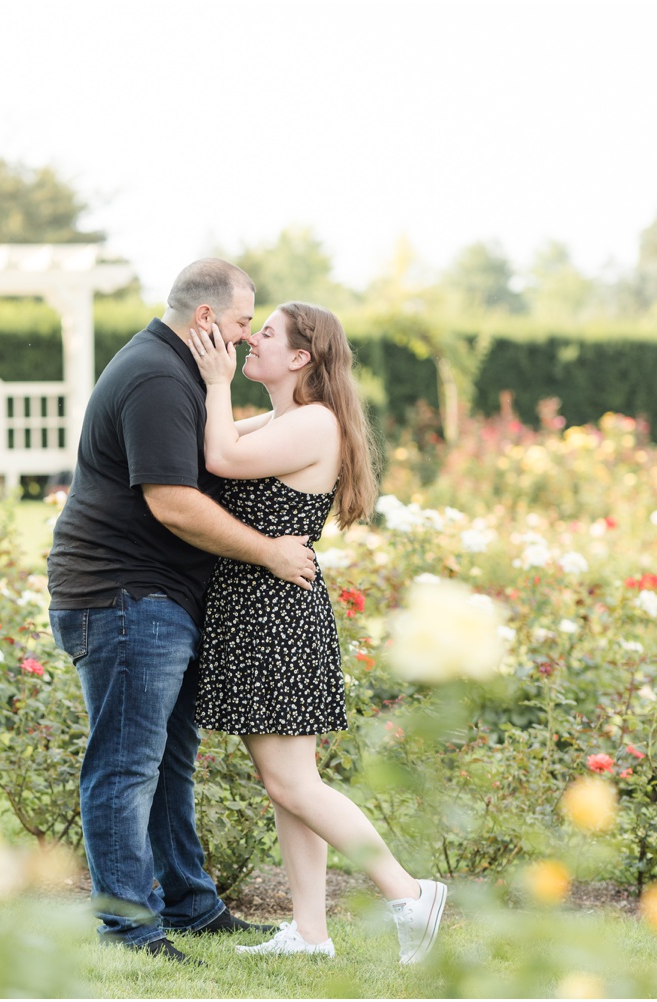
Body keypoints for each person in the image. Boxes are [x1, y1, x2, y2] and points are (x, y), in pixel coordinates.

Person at [46, 259, 318, 964]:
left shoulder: (181, 370)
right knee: (127, 765)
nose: (243, 337)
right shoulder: (159, 378)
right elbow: (172, 501)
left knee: (168, 763)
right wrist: (269, 553)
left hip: (155, 596)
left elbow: (221, 445)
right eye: (237, 324)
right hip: (125, 596)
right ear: (205, 320)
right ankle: (131, 929)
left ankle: (193, 909)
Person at [183, 302, 447, 965]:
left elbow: (216, 456)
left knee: (294, 785)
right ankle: (309, 932)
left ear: (301, 358)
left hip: (276, 614)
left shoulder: (312, 423)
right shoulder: (281, 419)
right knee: (291, 784)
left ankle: (408, 893)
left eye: (264, 334)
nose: (250, 342)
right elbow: (205, 441)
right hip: (261, 608)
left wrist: (215, 382)